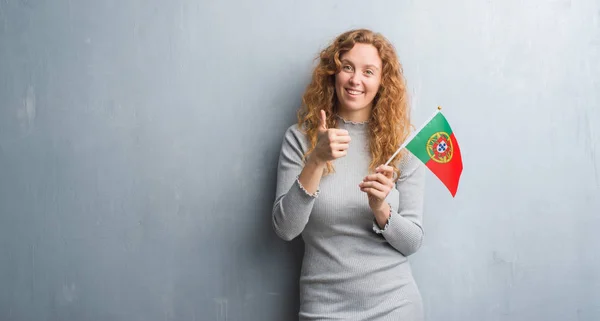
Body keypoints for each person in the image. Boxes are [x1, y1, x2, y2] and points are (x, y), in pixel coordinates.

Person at [272, 28, 426, 321]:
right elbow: (285, 228)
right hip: (324, 309)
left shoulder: (404, 146)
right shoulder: (300, 139)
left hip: (395, 307)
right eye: (348, 67)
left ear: (382, 82)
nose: (356, 79)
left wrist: (382, 209)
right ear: (333, 73)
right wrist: (316, 160)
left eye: (369, 71)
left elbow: (412, 242)